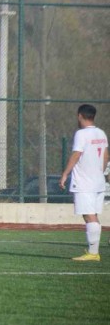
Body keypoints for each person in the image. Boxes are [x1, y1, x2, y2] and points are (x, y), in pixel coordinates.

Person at [59, 104, 108, 261]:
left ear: (80, 116)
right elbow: (106, 155)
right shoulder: (101, 133)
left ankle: (93, 253)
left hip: (85, 182)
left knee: (89, 216)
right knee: (92, 215)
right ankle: (94, 251)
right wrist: (101, 172)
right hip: (98, 182)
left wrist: (65, 174)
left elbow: (76, 154)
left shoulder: (81, 134)